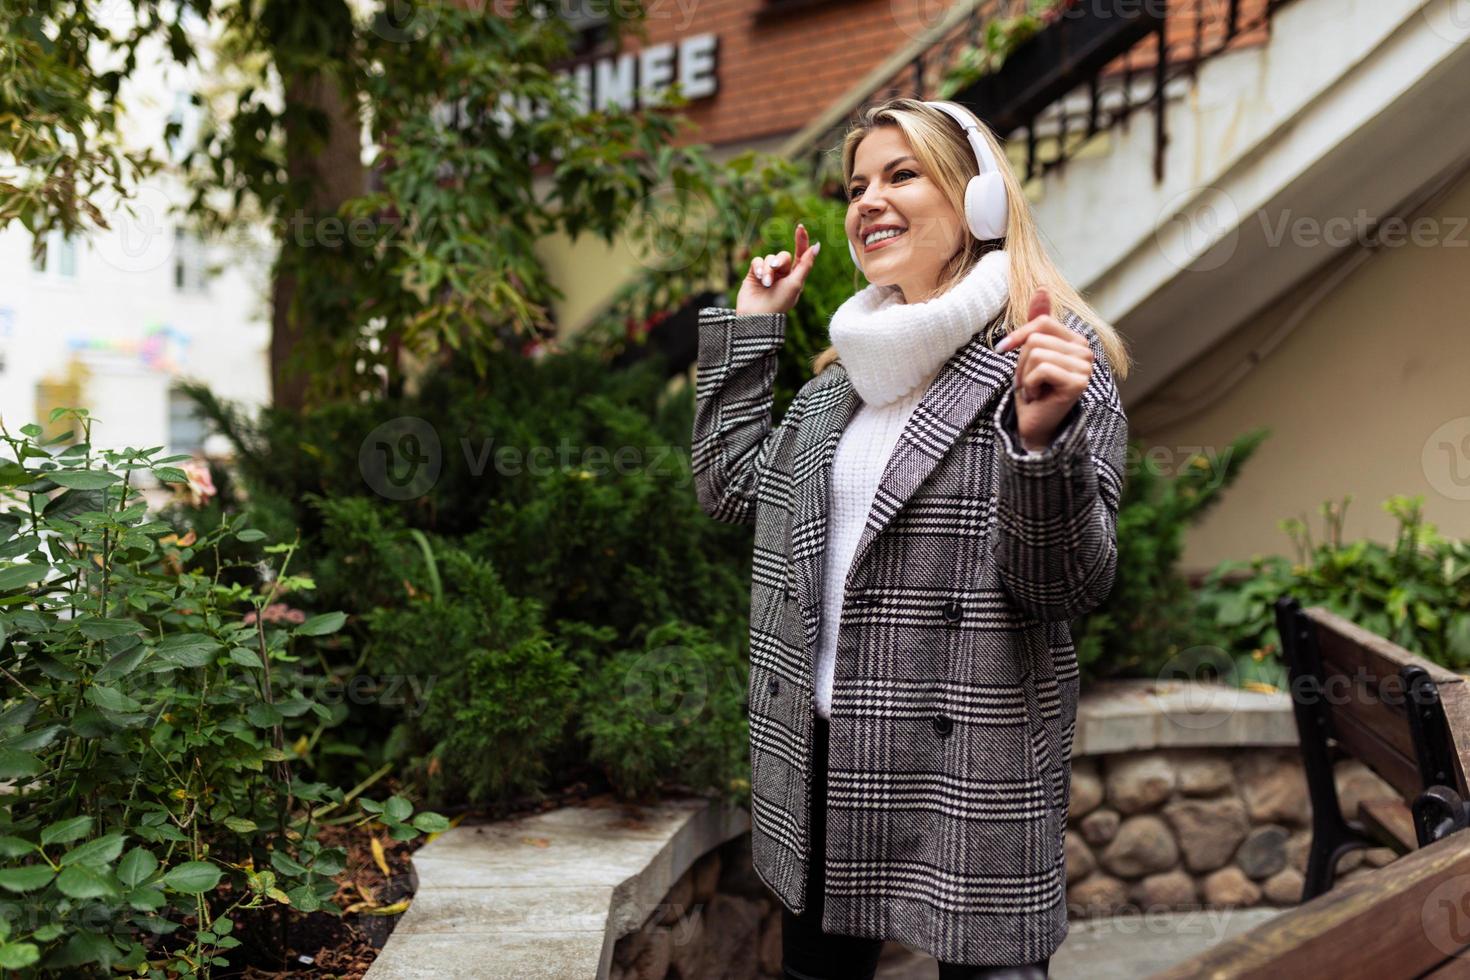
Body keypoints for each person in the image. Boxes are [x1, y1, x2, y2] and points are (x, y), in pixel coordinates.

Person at [692, 97, 1132, 979]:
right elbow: (731, 491)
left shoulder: (1046, 353)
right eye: (857, 185)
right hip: (821, 754)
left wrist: (1040, 444)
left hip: (969, 753)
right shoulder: (839, 383)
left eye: (901, 175)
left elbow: (1066, 589)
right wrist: (752, 328)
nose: (868, 201)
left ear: (978, 202)